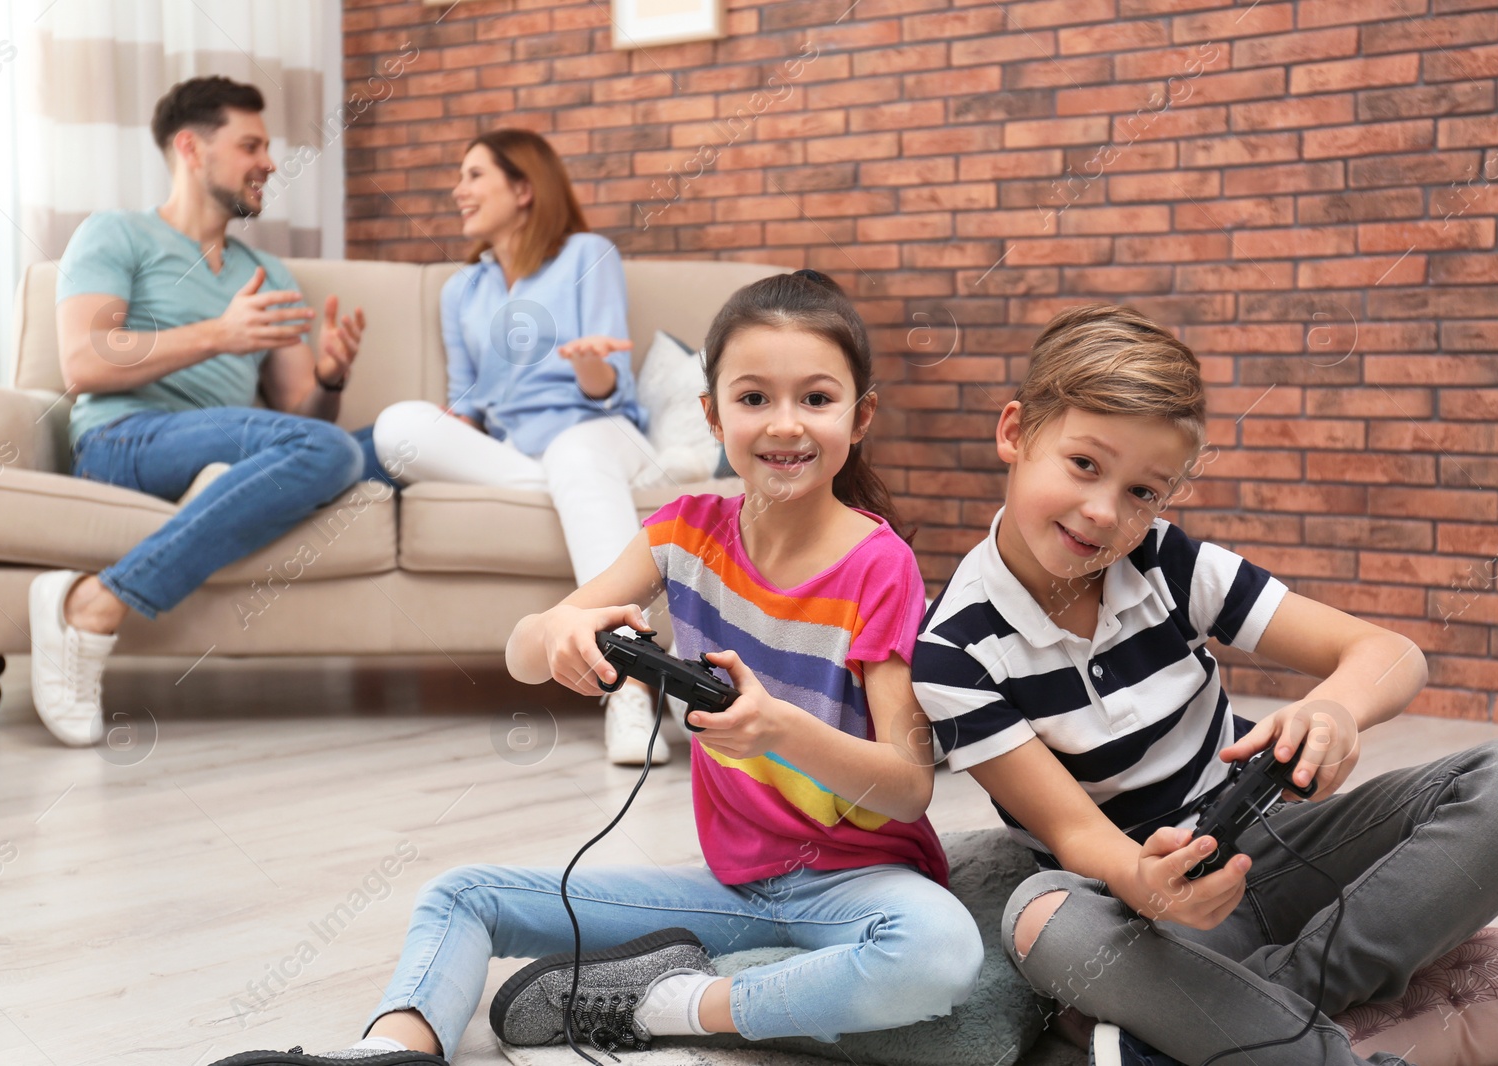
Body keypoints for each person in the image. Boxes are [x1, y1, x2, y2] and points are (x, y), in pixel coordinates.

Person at [215, 270, 982, 1066]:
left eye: (815, 399)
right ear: (712, 414)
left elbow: (909, 781)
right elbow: (525, 646)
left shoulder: (878, 565)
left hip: (860, 892)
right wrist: (559, 636)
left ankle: (666, 1003)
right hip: (734, 889)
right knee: (461, 895)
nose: (784, 425)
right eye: (753, 398)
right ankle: (391, 1053)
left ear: (859, 419)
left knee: (940, 954)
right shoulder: (687, 532)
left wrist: (778, 731)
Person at [911, 304, 1498, 1066]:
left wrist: (1336, 707)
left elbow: (1389, 653)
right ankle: (1286, 1038)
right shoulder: (953, 654)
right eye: (1084, 464)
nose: (1104, 512)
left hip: (1277, 847)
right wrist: (1146, 881)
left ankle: (1235, 1016)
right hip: (1146, 909)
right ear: (1015, 432)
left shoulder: (1168, 563)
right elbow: (1078, 837)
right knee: (1040, 922)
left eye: (1144, 492)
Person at [35, 75, 387, 747]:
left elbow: (302, 415)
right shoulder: (118, 235)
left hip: (227, 441)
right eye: (251, 144)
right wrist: (217, 335)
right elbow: (83, 362)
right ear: (192, 149)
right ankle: (93, 602)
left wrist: (332, 377)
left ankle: (220, 485)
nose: (270, 162)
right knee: (334, 455)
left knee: (391, 450)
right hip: (124, 438)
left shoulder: (266, 272)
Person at [371, 129, 671, 766]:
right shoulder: (462, 291)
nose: (460, 190)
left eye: (476, 175)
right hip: (519, 456)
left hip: (599, 431)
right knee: (398, 424)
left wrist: (589, 364)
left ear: (524, 188)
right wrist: (446, 435)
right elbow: (465, 406)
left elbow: (606, 385)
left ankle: (631, 688)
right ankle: (570, 496)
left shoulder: (587, 254)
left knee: (574, 457)